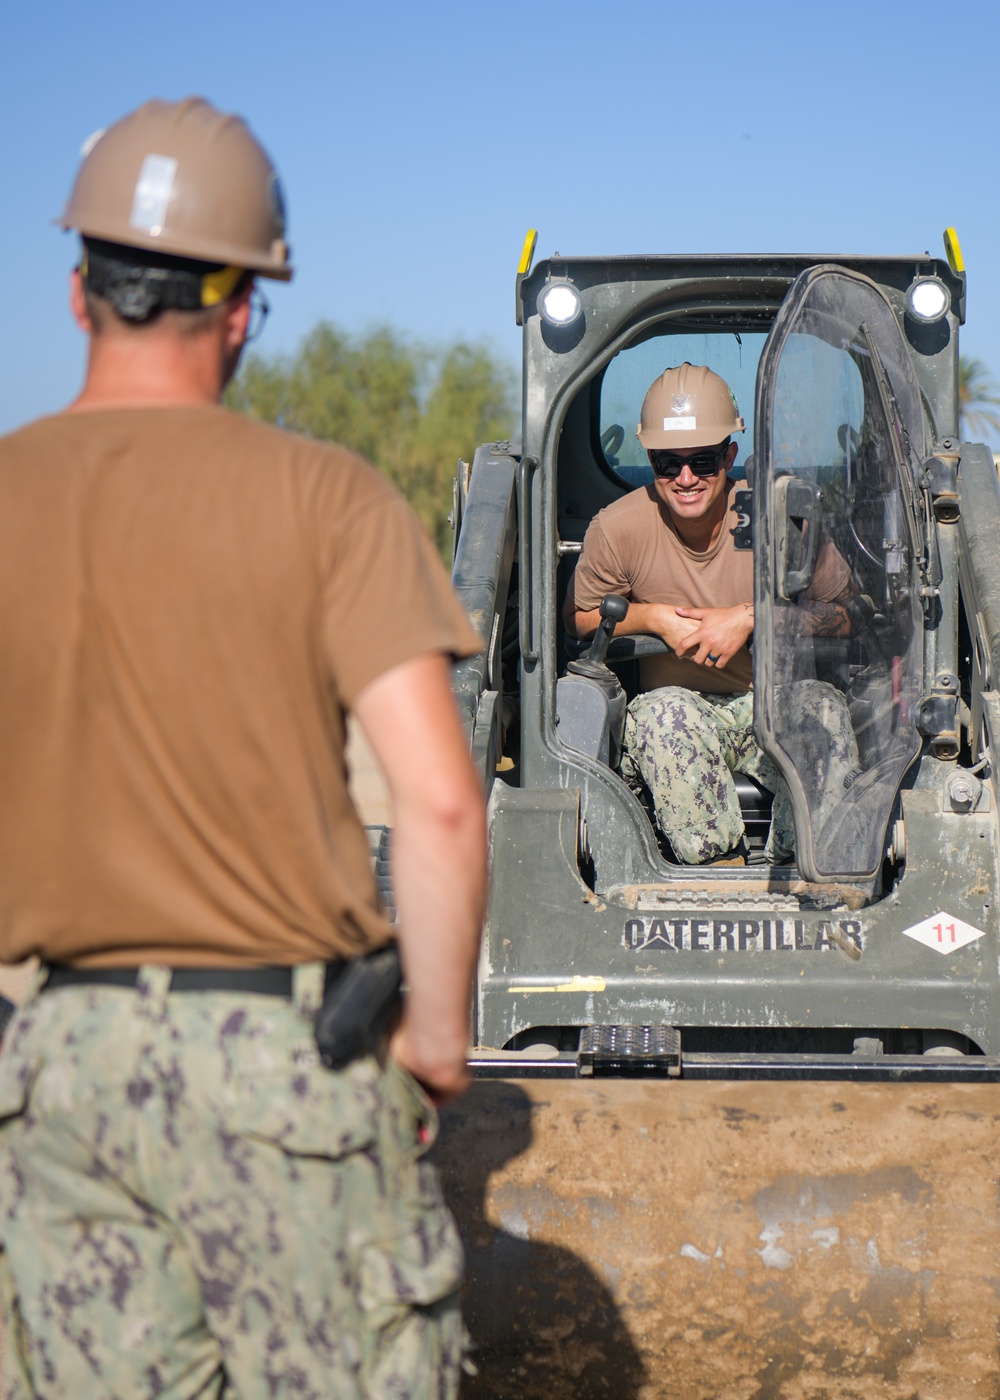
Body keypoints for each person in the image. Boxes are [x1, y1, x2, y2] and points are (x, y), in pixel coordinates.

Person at [0, 97, 487, 1399]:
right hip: (284, 1069)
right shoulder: (327, 500)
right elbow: (440, 807)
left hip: (60, 1078)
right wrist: (435, 1040)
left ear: (75, 294)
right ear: (237, 311)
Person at [564, 361, 857, 866]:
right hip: (678, 720)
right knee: (662, 713)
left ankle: (803, 869)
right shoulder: (618, 528)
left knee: (824, 708)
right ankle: (718, 870)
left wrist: (751, 618)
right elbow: (579, 618)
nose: (684, 479)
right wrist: (651, 617)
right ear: (650, 458)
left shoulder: (783, 518)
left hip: (769, 707)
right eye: (666, 463)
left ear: (730, 456)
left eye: (702, 462)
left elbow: (847, 615)